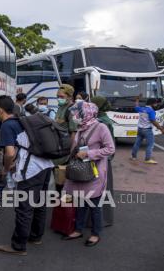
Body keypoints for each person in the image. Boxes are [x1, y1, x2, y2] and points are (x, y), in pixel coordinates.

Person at [0, 95, 54, 255]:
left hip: (31, 170)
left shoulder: (7, 125)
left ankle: (18, 246)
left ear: (0, 110)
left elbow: (10, 153)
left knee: (24, 208)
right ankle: (36, 237)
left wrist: (6, 169)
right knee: (40, 203)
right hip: (46, 165)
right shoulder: (22, 120)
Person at [62, 101, 115, 247]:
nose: (74, 116)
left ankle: (95, 233)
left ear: (87, 113)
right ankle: (78, 230)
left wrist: (89, 153)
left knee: (94, 204)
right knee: (80, 202)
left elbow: (110, 149)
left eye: (76, 113)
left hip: (94, 171)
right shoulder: (81, 127)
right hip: (80, 171)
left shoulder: (101, 127)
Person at [91, 96, 114, 227]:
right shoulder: (101, 119)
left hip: (101, 160)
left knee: (100, 191)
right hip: (100, 159)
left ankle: (102, 221)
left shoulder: (104, 122)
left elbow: (110, 147)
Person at [54, 84, 79, 193]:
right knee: (58, 179)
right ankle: (60, 204)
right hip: (58, 148)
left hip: (66, 151)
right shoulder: (60, 108)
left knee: (63, 180)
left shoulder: (72, 110)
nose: (59, 99)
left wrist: (71, 153)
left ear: (69, 97)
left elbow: (74, 133)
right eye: (58, 96)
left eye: (62, 97)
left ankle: (65, 205)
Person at [131, 97, 164, 164]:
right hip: (147, 130)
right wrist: (161, 129)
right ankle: (148, 159)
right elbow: (153, 121)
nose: (156, 105)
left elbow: (136, 106)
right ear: (152, 104)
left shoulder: (141, 109)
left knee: (137, 143)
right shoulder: (151, 111)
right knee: (150, 144)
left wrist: (137, 99)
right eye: (155, 104)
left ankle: (133, 157)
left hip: (140, 129)